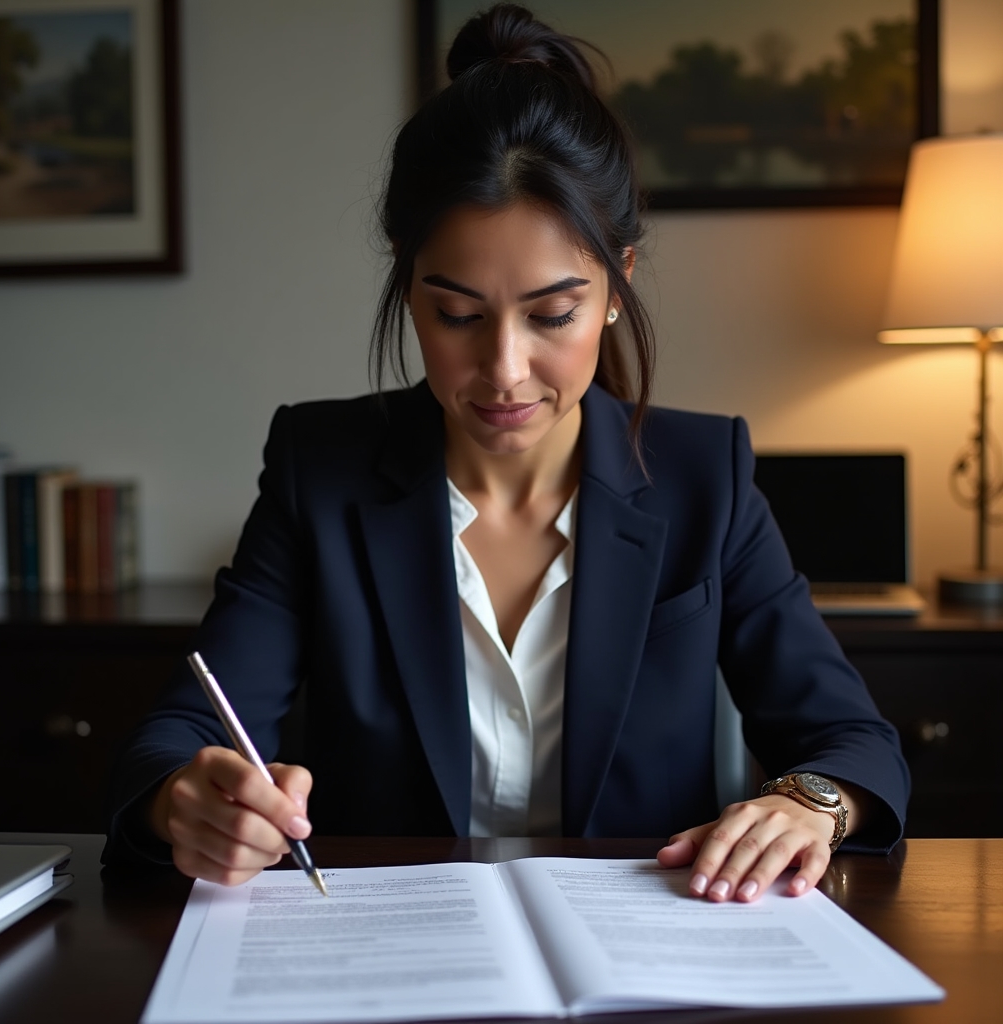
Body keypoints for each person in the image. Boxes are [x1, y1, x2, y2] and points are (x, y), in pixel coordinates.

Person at [104, 4, 908, 904]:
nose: (504, 370)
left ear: (617, 284)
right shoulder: (318, 468)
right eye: (457, 315)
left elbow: (852, 740)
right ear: (408, 283)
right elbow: (177, 734)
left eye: (552, 314)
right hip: (390, 950)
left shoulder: (701, 474)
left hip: (642, 951)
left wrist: (811, 803)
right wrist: (184, 801)